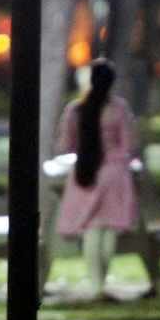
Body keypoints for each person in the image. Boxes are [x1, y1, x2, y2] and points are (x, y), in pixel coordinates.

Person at [55, 58, 142, 301]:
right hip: (115, 173)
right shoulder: (118, 108)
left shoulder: (75, 110)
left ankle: (97, 286)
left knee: (92, 228)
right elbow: (131, 142)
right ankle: (102, 283)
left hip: (86, 172)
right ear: (112, 83)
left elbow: (64, 146)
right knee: (110, 228)